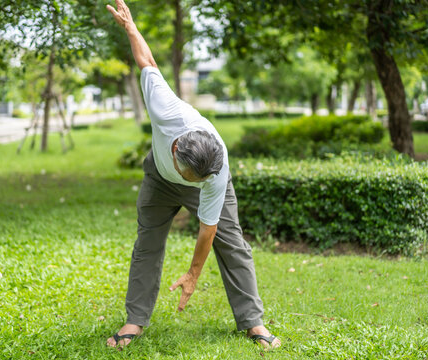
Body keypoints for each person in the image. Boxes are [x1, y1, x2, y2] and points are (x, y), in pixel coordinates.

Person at [105, 0, 281, 350]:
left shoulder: (214, 169)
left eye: (202, 180)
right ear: (177, 151)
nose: (197, 184)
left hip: (202, 174)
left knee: (233, 245)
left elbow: (208, 227)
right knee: (148, 243)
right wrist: (131, 27)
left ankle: (253, 322)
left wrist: (193, 274)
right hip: (159, 177)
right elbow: (148, 62)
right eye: (193, 177)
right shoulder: (165, 109)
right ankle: (134, 320)